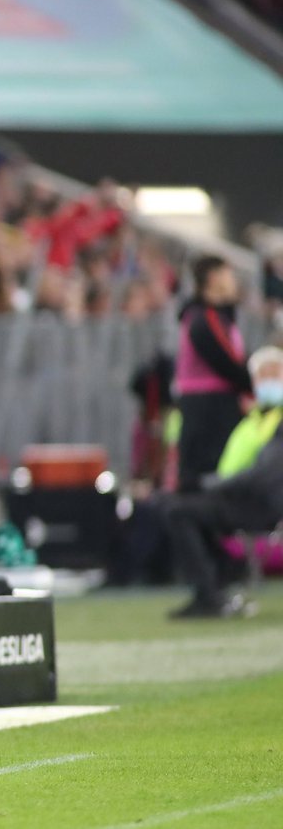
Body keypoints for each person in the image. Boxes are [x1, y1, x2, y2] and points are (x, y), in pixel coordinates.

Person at [162, 346, 283, 618]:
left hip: (260, 502)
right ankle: (218, 583)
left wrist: (212, 485)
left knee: (180, 512)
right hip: (236, 496)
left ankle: (210, 592)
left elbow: (263, 473)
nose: (268, 383)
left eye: (274, 374)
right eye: (261, 377)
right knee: (176, 507)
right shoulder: (252, 421)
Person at [174, 257, 252, 493]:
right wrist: (255, 385)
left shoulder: (218, 317)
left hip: (212, 408)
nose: (233, 283)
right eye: (229, 276)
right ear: (213, 279)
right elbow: (229, 364)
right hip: (210, 410)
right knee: (208, 478)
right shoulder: (206, 318)